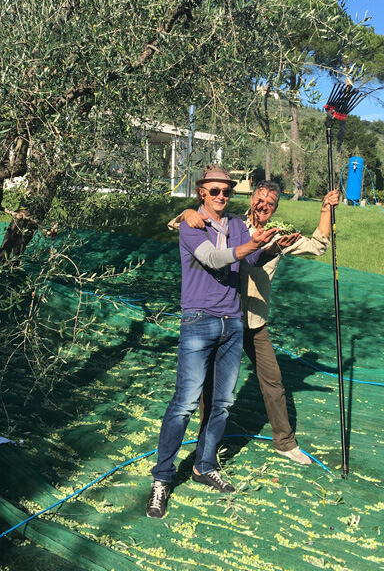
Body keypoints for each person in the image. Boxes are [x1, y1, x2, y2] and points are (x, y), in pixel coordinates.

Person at [171, 180, 339, 465]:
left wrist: (325, 209)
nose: (263, 206)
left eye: (270, 203)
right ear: (251, 200)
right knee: (209, 386)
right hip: (224, 318)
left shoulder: (279, 234)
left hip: (254, 322)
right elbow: (192, 222)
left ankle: (285, 442)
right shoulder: (234, 225)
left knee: (273, 380)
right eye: (260, 200)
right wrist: (187, 211)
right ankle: (206, 447)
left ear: (276, 208)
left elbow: (318, 246)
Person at [146, 166, 275, 519]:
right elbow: (214, 258)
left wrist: (274, 243)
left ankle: (204, 465)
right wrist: (250, 244)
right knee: (185, 402)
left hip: (232, 322)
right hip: (198, 320)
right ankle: (162, 478)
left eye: (226, 191)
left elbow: (251, 259)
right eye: (214, 191)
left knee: (222, 402)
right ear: (201, 192)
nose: (221, 196)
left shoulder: (237, 226)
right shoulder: (191, 224)